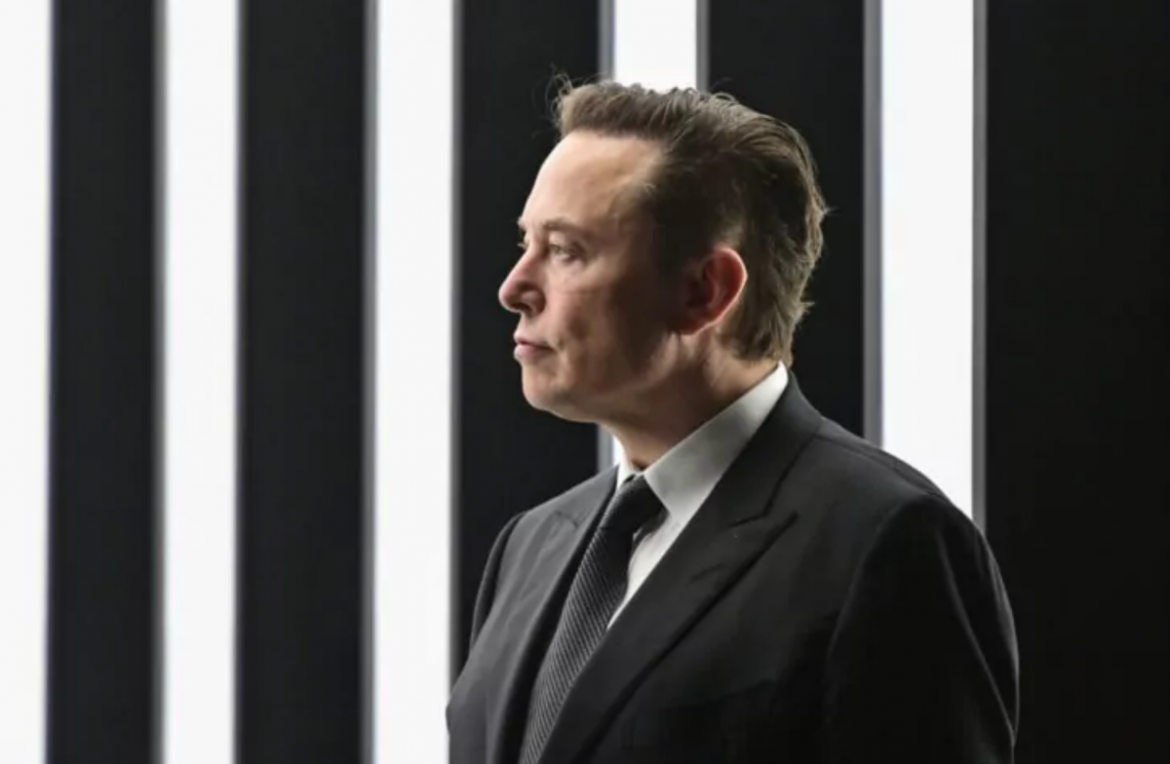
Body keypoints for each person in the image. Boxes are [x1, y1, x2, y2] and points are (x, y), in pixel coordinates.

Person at [447, 80, 1018, 764]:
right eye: (526, 242)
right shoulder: (528, 546)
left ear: (706, 292)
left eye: (565, 250)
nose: (513, 287)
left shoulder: (888, 544)